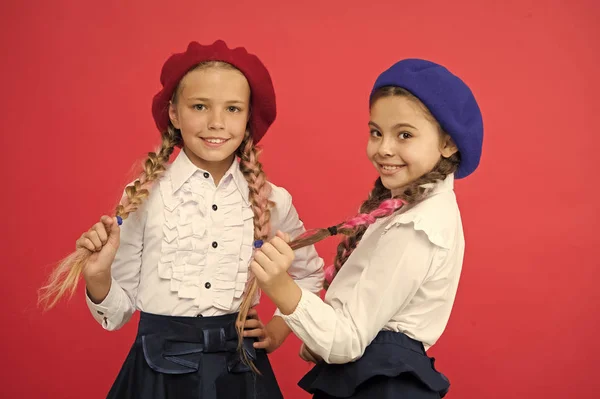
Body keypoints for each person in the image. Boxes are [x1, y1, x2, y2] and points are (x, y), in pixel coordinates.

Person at [39, 39, 324, 399]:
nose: (216, 123)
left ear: (249, 116)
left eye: (233, 109)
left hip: (242, 376)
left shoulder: (272, 201)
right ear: (174, 113)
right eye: (200, 106)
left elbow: (310, 274)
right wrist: (98, 277)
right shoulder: (144, 196)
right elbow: (118, 312)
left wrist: (279, 328)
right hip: (157, 377)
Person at [250, 58, 484, 398]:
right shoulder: (408, 212)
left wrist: (280, 286)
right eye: (376, 132)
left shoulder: (418, 227)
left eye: (404, 134)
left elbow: (346, 340)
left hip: (381, 386)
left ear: (448, 143)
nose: (384, 148)